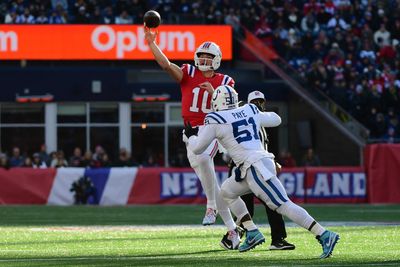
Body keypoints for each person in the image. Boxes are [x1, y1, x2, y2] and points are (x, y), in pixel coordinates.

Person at [184, 85, 339, 258]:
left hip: (254, 167)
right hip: (254, 165)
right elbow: (276, 119)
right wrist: (256, 116)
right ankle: (251, 231)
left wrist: (190, 135)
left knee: (282, 205)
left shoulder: (215, 119)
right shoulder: (249, 109)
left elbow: (197, 149)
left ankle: (324, 234)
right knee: (226, 192)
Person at [144, 25, 237, 232]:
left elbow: (231, 110)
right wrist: (152, 44)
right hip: (190, 133)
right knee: (210, 182)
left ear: (217, 59)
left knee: (204, 158)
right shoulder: (189, 72)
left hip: (213, 127)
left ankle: (210, 207)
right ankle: (233, 230)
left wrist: (215, 92)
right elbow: (167, 65)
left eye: (208, 57)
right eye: (201, 57)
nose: (203, 61)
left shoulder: (225, 81)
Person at [227, 90, 295, 251]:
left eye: (261, 101)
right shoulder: (249, 119)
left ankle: (231, 238)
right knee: (272, 203)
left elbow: (260, 147)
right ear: (248, 104)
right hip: (248, 168)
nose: (258, 104)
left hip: (255, 166)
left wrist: (272, 161)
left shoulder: (260, 121)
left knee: (250, 206)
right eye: (255, 102)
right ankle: (277, 240)